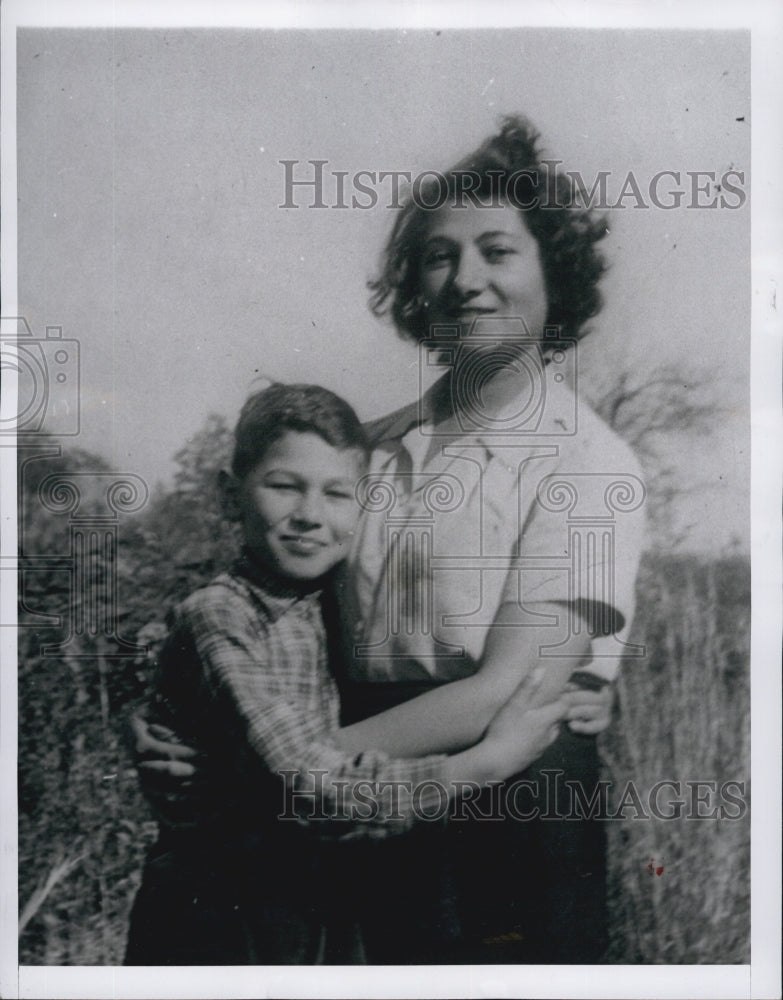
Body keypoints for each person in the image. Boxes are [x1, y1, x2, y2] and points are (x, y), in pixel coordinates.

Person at [132, 114, 645, 964]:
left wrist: (266, 769)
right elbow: (254, 604)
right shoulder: (365, 449)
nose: (465, 280)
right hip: (350, 800)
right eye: (439, 256)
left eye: (497, 251)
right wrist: (165, 722)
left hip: (502, 795)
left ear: (556, 271)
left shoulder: (593, 465)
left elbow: (506, 694)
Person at [125, 381, 600, 966]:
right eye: (283, 486)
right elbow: (306, 783)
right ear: (230, 496)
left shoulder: (327, 603)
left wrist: (590, 692)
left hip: (310, 902)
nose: (309, 516)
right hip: (221, 911)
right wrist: (483, 764)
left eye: (337, 494)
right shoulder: (222, 615)